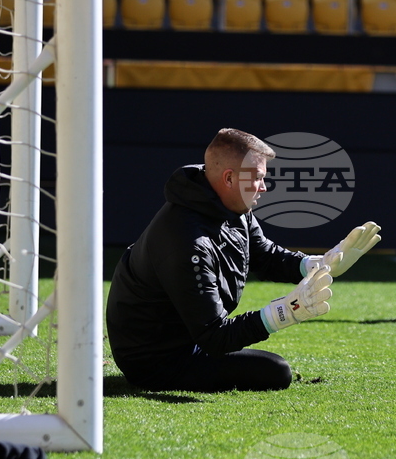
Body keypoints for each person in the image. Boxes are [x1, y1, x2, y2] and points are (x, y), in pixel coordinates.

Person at [106, 128, 381, 392]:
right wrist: (287, 311)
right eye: (258, 178)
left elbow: (263, 254)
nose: (263, 187)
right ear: (229, 178)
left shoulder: (227, 205)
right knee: (275, 371)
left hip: (185, 338)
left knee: (270, 367)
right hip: (154, 360)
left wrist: (319, 264)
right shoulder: (186, 241)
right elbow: (214, 337)